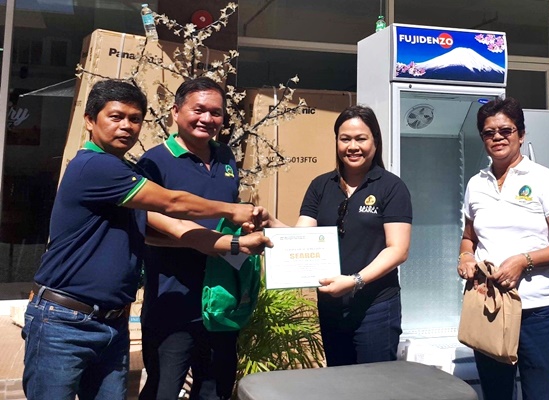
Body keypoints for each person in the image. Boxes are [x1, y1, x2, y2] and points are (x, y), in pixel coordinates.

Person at [21, 79, 271, 400]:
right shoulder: (96, 167)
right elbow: (172, 204)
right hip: (65, 322)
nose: (126, 126)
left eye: (135, 119)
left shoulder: (128, 171)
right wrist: (236, 211)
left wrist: (236, 245)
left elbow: (176, 227)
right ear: (89, 120)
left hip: (113, 322)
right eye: (116, 117)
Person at [457, 97, 549, 400]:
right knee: (496, 394)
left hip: (536, 313)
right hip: (490, 308)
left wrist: (523, 261)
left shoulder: (543, 179)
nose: (497, 137)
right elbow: (469, 236)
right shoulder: (477, 183)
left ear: (521, 134)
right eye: (489, 132)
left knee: (539, 395)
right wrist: (465, 256)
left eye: (505, 130)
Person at [267, 105, 412, 366]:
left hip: (376, 306)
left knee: (375, 386)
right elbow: (302, 237)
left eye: (361, 139)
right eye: (345, 139)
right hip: (331, 306)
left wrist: (355, 281)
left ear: (375, 142)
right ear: (336, 142)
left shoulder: (391, 187)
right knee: (340, 383)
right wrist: (270, 223)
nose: (352, 146)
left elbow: (397, 249)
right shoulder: (321, 186)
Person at [137, 77, 252, 400]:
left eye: (216, 113)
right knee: (163, 389)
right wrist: (211, 241)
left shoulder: (227, 158)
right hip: (173, 300)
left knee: (215, 388)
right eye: (198, 110)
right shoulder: (154, 162)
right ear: (175, 111)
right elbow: (144, 225)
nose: (207, 119)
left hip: (220, 300)